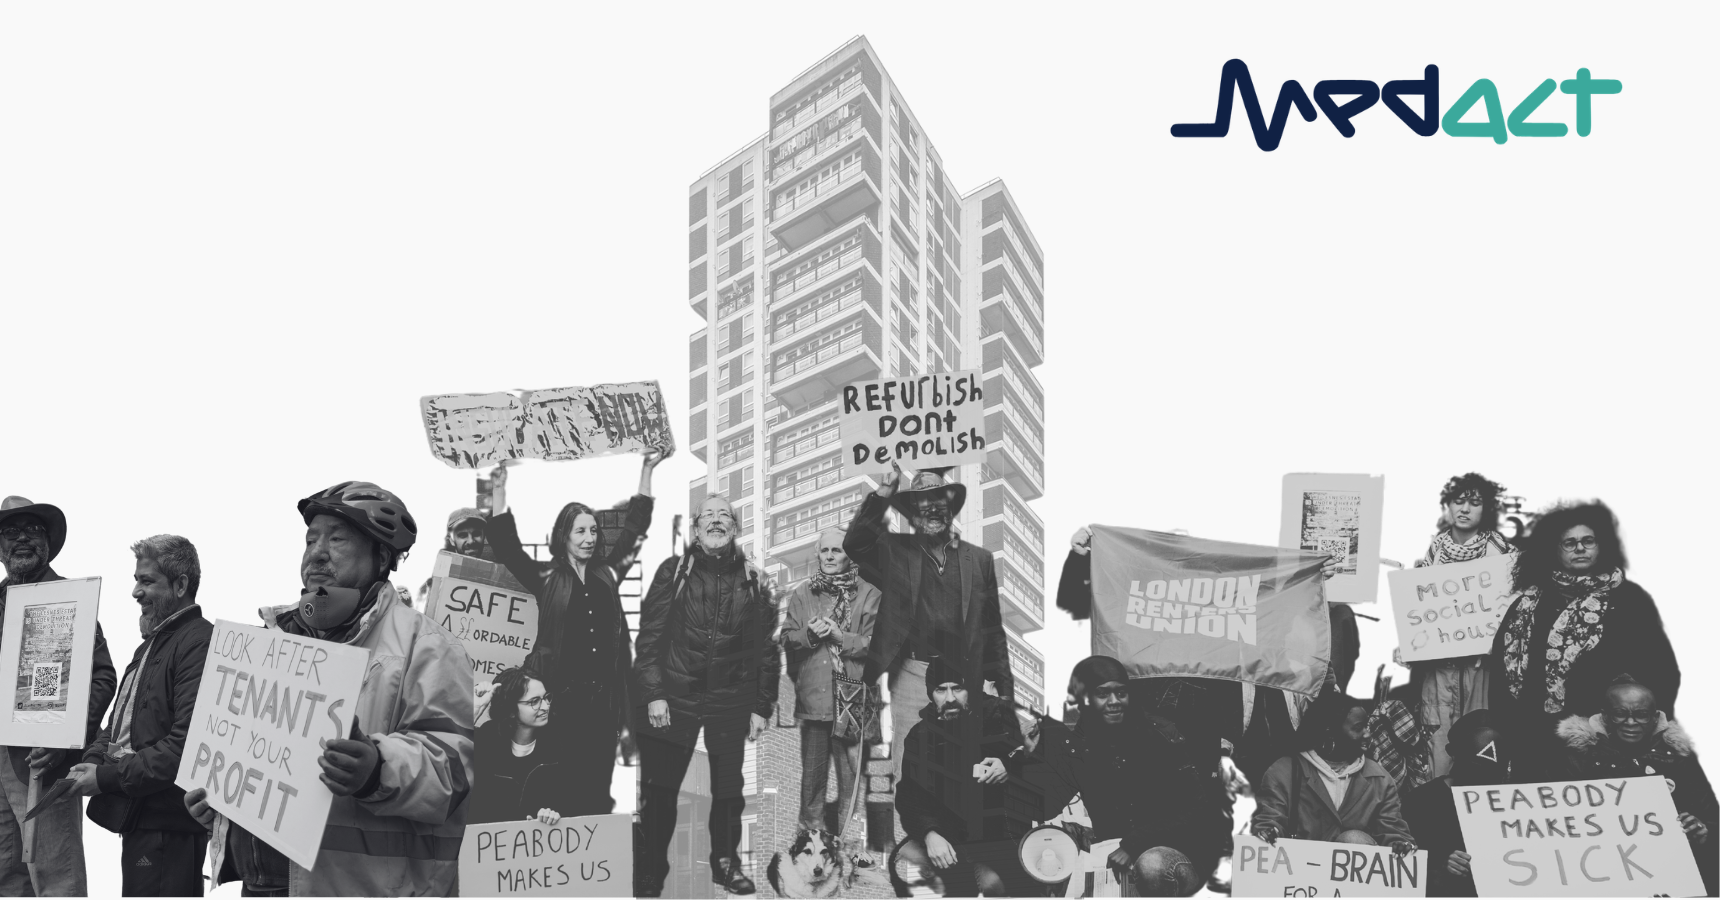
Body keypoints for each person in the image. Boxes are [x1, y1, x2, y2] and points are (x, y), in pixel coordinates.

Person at [185, 481, 474, 897]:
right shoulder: (268, 643)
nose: (317, 552)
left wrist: (377, 769)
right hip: (263, 887)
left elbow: (455, 769)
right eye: (310, 539)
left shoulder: (426, 646)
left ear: (383, 556)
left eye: (337, 539)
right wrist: (220, 804)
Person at [485, 449, 664, 816]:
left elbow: (634, 529)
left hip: (603, 707)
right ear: (564, 535)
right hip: (560, 703)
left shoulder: (608, 572)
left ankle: (594, 867)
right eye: (580, 531)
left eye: (593, 531)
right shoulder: (546, 577)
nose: (589, 538)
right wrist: (499, 492)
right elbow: (507, 548)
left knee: (598, 790)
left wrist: (647, 470)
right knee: (559, 787)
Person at [634, 494, 779, 897]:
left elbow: (765, 649)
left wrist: (761, 705)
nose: (716, 522)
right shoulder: (674, 571)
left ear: (735, 528)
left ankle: (724, 865)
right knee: (660, 788)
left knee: (729, 789)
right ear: (696, 529)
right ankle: (651, 869)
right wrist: (653, 694)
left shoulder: (754, 580)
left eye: (725, 516)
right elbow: (650, 639)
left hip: (729, 699)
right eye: (708, 516)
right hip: (675, 695)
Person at [843, 464, 1013, 791]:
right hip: (912, 672)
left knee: (970, 764)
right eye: (922, 502)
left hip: (966, 677)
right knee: (911, 764)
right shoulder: (894, 551)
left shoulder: (979, 560)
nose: (932, 508)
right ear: (911, 513)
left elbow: (994, 631)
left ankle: (959, 835)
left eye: (938, 499)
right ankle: (919, 836)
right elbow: (856, 543)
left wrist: (1004, 695)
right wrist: (884, 493)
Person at [1487, 500, 1679, 780]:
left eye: (1588, 541)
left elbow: (1660, 671)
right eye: (1569, 543)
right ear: (1554, 550)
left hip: (1602, 744)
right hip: (1531, 739)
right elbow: (1501, 676)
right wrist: (1507, 728)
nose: (1579, 548)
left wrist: (1630, 730)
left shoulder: (1630, 600)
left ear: (1601, 547)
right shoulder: (1527, 605)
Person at [72, 535, 213, 896]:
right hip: (143, 819)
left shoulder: (199, 641)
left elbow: (185, 748)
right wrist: (90, 761)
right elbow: (119, 725)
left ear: (181, 585)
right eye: (136, 580)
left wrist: (104, 778)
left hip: (169, 825)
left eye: (146, 581)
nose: (135, 592)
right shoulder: (150, 644)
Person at [0, 495, 118, 897]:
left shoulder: (69, 599)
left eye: (33, 530)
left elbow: (103, 676)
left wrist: (63, 736)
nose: (22, 539)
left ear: (47, 543)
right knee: (7, 882)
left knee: (56, 882)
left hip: (39, 764)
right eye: (11, 531)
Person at [1036, 656, 1224, 896]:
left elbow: (1197, 810)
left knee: (1152, 864)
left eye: (1121, 693)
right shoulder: (1080, 748)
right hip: (1113, 862)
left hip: (1173, 859)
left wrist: (1134, 843)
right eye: (1103, 694)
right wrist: (1028, 753)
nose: (1114, 701)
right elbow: (1048, 799)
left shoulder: (1161, 735)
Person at [892, 658, 1040, 898]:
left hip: (999, 841)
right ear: (931, 694)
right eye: (941, 689)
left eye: (957, 688)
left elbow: (1037, 776)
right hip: (948, 843)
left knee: (1000, 886)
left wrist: (1008, 767)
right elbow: (910, 796)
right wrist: (930, 834)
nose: (950, 698)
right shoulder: (919, 736)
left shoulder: (996, 718)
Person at [1557, 674, 1716, 895]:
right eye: (1620, 714)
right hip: (1600, 876)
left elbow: (1711, 817)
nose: (1630, 723)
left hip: (1668, 877)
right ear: (1605, 717)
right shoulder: (1578, 758)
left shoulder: (1680, 758)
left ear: (1654, 717)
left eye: (1641, 715)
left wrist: (1703, 831)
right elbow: (1558, 824)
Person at [1411, 473, 1514, 784]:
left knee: (1480, 741)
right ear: (1447, 505)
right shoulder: (1433, 553)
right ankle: (1437, 810)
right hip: (1439, 668)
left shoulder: (1502, 552)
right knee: (1437, 743)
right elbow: (1418, 610)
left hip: (1480, 667)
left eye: (1475, 502)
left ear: (1486, 509)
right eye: (1459, 501)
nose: (1465, 509)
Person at [779, 527, 880, 839]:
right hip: (814, 699)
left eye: (837, 550)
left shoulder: (869, 593)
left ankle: (848, 841)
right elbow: (786, 638)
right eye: (825, 551)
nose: (831, 556)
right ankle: (810, 841)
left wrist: (841, 637)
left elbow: (880, 646)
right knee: (812, 779)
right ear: (817, 554)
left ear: (848, 554)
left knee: (851, 778)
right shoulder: (802, 593)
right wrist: (809, 635)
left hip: (853, 699)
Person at [1252, 693, 1417, 851]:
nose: (1367, 734)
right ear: (1330, 731)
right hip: (1298, 872)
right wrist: (1269, 832)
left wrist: (1399, 844)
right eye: (1359, 728)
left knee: (1354, 840)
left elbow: (1393, 831)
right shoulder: (1284, 772)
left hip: (1353, 877)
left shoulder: (1379, 778)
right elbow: (1269, 820)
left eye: (1367, 726)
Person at [1403, 710, 1513, 897]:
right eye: (1475, 771)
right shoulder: (1421, 801)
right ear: (1454, 756)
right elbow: (1403, 856)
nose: (1482, 781)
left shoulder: (1511, 803)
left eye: (1491, 776)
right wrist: (1441, 862)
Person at [470, 668, 578, 826]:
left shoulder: (561, 745)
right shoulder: (485, 740)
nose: (545, 706)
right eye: (534, 701)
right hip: (489, 844)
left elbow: (572, 802)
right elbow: (450, 781)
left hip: (538, 846)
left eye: (546, 698)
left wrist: (553, 816)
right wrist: (473, 713)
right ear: (511, 710)